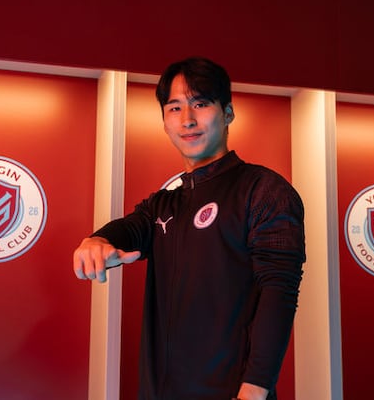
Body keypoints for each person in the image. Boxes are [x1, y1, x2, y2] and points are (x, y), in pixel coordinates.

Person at [73, 57, 305, 400]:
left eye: (201, 104)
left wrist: (256, 388)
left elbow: (279, 293)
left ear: (228, 113)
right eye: (174, 108)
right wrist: (96, 240)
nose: (187, 120)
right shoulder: (165, 203)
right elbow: (130, 228)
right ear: (164, 121)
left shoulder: (263, 190)